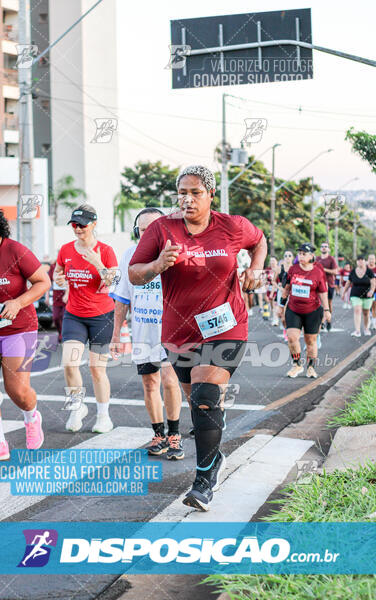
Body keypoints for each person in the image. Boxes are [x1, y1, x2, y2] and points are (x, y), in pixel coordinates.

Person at [128, 165, 267, 511]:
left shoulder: (231, 226)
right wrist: (158, 264)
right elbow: (134, 273)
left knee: (205, 395)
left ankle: (203, 479)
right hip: (179, 332)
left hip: (226, 324)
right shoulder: (162, 229)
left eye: (196, 193)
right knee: (200, 407)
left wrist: (255, 268)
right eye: (182, 193)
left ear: (210, 194)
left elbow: (259, 240)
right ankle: (213, 451)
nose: (188, 199)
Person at [0, 201, 50, 463]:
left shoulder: (15, 250)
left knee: (17, 390)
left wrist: (18, 302)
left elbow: (43, 282)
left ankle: (32, 417)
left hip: (19, 328)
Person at [110, 208, 183, 460]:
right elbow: (122, 299)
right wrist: (116, 335)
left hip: (171, 332)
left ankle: (174, 435)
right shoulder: (129, 256)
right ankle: (159, 434)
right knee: (149, 383)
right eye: (143, 230)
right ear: (136, 231)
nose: (148, 234)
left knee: (170, 380)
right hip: (143, 332)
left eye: (154, 229)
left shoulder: (176, 254)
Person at [54, 204, 118, 433]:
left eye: (81, 225)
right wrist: (59, 279)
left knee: (96, 368)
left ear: (93, 224)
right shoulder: (65, 249)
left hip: (102, 316)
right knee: (69, 363)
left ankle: (103, 416)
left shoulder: (106, 250)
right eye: (73, 224)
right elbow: (58, 273)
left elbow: (113, 283)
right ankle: (76, 408)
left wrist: (97, 262)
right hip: (74, 314)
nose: (77, 229)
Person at [281, 243, 330, 379]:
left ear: (311, 256)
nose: (301, 256)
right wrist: (281, 306)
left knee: (310, 341)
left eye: (304, 254)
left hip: (313, 311)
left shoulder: (318, 271)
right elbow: (286, 288)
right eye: (300, 253)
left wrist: (327, 310)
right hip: (293, 309)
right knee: (291, 337)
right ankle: (297, 365)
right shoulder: (293, 269)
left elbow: (323, 292)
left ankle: (311, 367)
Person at [342, 256, 376, 337]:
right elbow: (348, 282)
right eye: (358, 260)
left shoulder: (369, 271)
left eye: (362, 260)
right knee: (357, 310)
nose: (360, 261)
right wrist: (344, 293)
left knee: (366, 312)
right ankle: (357, 331)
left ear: (365, 261)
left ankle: (366, 329)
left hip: (367, 295)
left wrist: (371, 291)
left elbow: (373, 283)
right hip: (355, 295)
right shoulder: (353, 272)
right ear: (356, 262)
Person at [316, 242, 338, 330]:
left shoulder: (331, 259)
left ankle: (328, 321)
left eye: (325, 247)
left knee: (328, 304)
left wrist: (323, 269)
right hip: (318, 284)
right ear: (320, 248)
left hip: (329, 284)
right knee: (319, 304)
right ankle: (321, 322)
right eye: (322, 246)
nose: (324, 248)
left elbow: (335, 272)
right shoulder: (317, 259)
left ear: (328, 249)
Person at [48, 257, 68, 343]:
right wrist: (47, 297)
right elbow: (49, 282)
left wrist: (67, 294)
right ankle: (60, 332)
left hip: (66, 297)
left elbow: (70, 282)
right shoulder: (53, 267)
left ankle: (64, 335)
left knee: (64, 316)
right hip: (56, 297)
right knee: (56, 317)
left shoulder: (68, 267)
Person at [367, 254, 376, 329]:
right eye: (370, 259)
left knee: (374, 306)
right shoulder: (365, 268)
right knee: (366, 308)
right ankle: (368, 321)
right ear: (367, 260)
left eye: (373, 259)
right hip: (366, 291)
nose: (371, 260)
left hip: (375, 291)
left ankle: (373, 323)